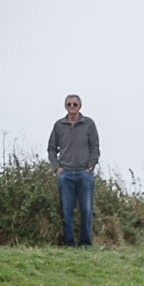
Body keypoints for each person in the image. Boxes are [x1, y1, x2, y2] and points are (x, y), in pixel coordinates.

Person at [48, 94, 100, 247]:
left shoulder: (89, 124)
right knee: (66, 211)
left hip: (84, 174)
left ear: (80, 106)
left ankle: (85, 244)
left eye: (75, 104)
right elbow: (51, 149)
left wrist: (90, 166)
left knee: (86, 210)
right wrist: (57, 168)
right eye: (69, 104)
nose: (72, 107)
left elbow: (95, 147)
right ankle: (68, 244)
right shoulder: (59, 125)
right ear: (65, 106)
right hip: (65, 175)